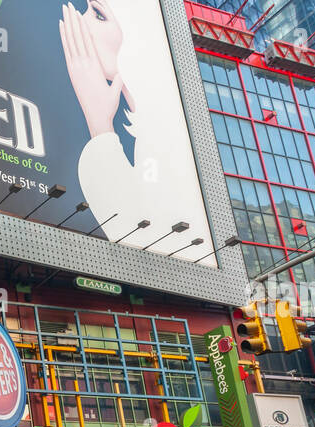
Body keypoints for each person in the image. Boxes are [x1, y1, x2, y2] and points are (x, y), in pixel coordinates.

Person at [58, 0, 212, 261]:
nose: (81, 22)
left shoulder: (171, 139)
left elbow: (139, 235)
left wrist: (99, 124)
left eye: (97, 14)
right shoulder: (158, 131)